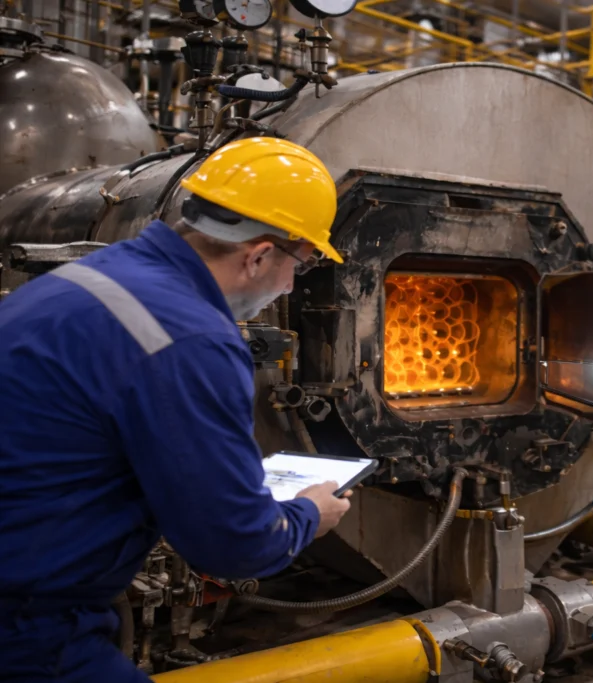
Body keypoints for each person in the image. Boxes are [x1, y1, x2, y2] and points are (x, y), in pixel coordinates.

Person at [0, 137, 353, 681]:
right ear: (259, 255)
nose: (289, 285)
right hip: (25, 621)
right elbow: (234, 544)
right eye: (300, 265)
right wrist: (307, 515)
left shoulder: (94, 275)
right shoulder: (191, 338)